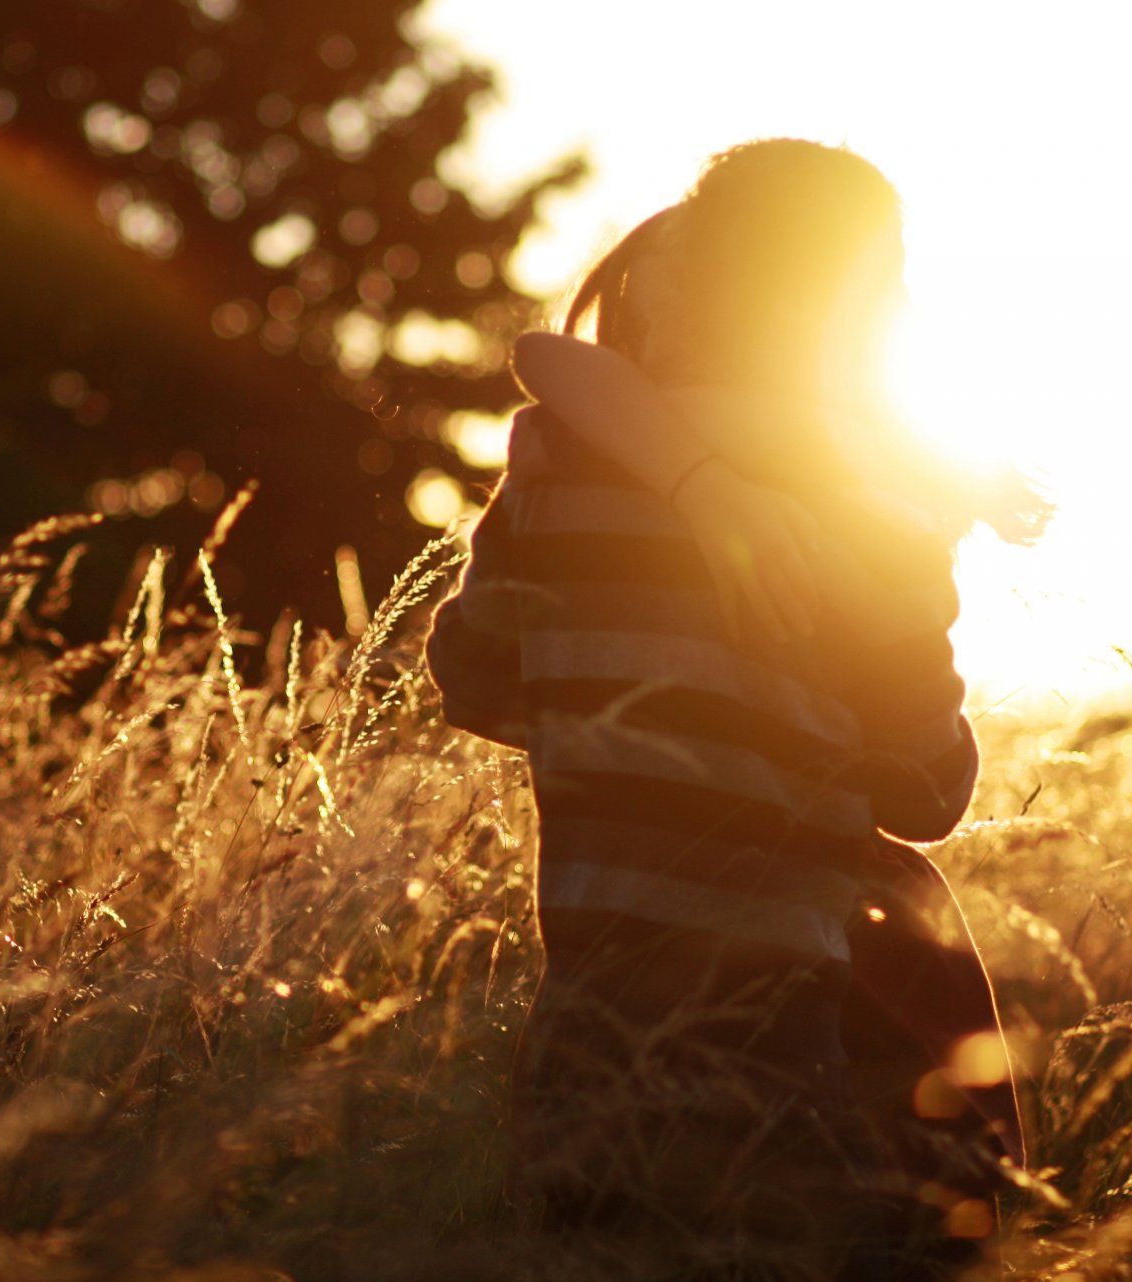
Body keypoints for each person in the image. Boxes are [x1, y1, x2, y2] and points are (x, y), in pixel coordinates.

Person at [425, 138, 1046, 1279]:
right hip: (782, 1062)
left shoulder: (558, 458)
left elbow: (473, 676)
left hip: (586, 1060)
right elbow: (927, 788)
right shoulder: (878, 521)